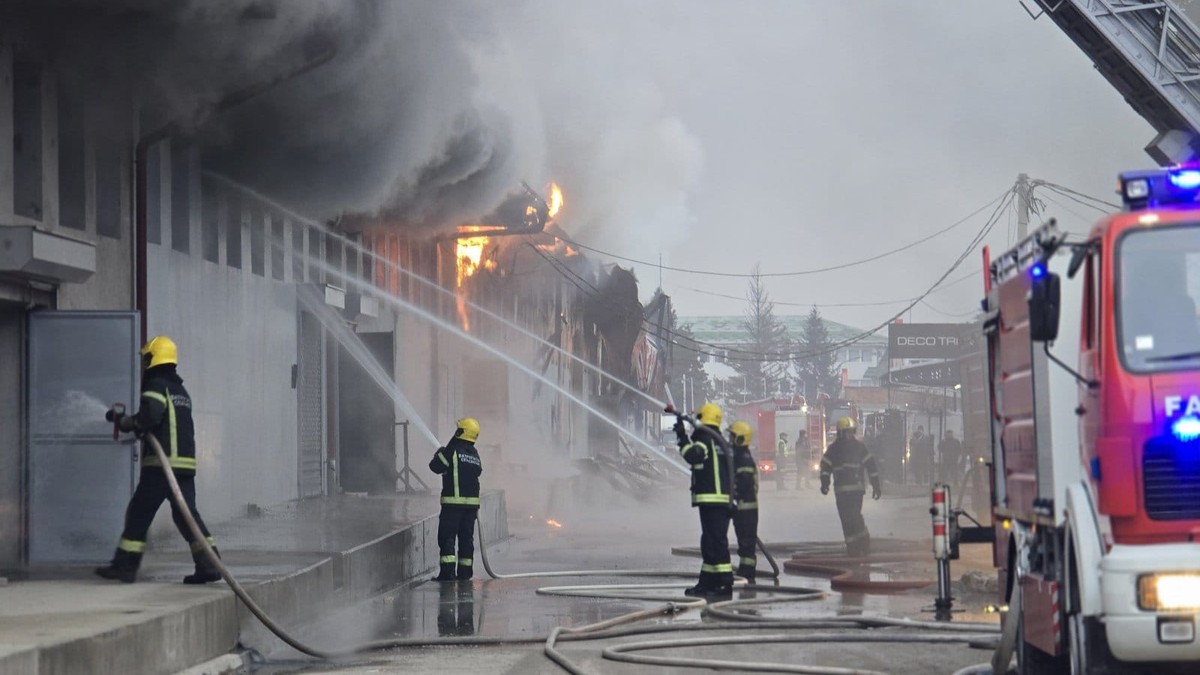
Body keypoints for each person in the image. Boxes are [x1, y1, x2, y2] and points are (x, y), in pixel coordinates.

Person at [96, 336, 221, 584]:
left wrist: (126, 422)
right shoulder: (179, 389)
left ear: (154, 357)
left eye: (147, 358)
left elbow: (150, 415)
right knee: (187, 517)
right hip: (184, 464)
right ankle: (210, 565)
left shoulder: (156, 383)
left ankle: (125, 566)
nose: (144, 363)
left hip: (162, 466)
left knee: (139, 513)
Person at [676, 402, 734, 597]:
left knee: (716, 542)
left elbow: (692, 455)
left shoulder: (705, 440)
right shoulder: (719, 441)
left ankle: (724, 584)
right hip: (720, 501)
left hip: (712, 500)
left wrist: (682, 437)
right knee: (710, 543)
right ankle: (707, 583)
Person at [429, 417, 483, 582]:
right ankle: (465, 574)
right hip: (471, 507)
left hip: (453, 505)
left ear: (461, 432)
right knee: (466, 540)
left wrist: (440, 453)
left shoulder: (452, 450)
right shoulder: (474, 454)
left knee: (447, 538)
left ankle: (447, 574)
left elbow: (435, 467)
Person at [820, 417, 881, 557]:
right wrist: (825, 483)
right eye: (846, 432)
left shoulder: (858, 447)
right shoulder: (834, 449)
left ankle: (864, 544)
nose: (849, 435)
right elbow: (825, 467)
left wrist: (876, 485)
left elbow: (871, 467)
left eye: (850, 432)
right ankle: (853, 549)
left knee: (854, 517)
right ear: (840, 433)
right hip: (842, 491)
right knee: (846, 520)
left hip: (855, 490)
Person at [729, 421, 759, 584]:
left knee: (747, 544)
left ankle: (748, 574)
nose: (730, 440)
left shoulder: (744, 459)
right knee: (744, 543)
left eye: (732, 437)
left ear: (740, 439)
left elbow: (744, 484)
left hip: (746, 508)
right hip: (742, 507)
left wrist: (733, 496)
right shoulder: (739, 457)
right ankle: (745, 571)